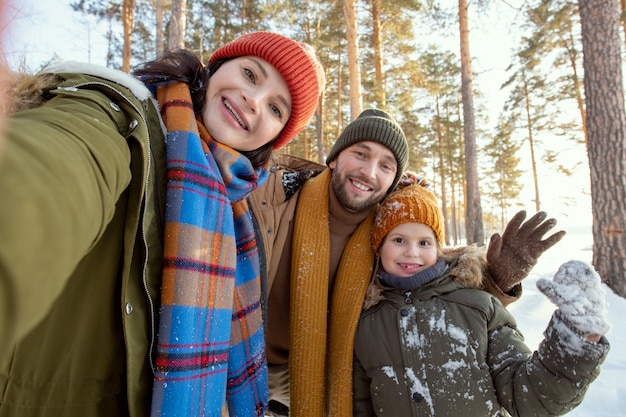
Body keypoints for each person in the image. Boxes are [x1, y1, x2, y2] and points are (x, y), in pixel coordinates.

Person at [0, 31, 325, 417]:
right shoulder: (119, 116)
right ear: (215, 69)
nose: (254, 102)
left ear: (276, 136)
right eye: (251, 75)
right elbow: (52, 173)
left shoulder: (236, 210)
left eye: (276, 108)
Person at [248, 108, 566, 416]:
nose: (369, 172)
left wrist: (497, 278)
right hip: (240, 366)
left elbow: (435, 298)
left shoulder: (390, 235)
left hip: (326, 382)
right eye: (361, 153)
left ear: (393, 180)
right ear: (334, 157)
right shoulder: (274, 198)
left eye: (386, 166)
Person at [352, 183, 610, 416]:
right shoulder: (366, 322)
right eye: (399, 240)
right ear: (379, 246)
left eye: (424, 242)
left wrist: (574, 340)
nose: (412, 252)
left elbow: (529, 396)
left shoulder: (477, 305)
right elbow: (360, 406)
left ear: (439, 248)